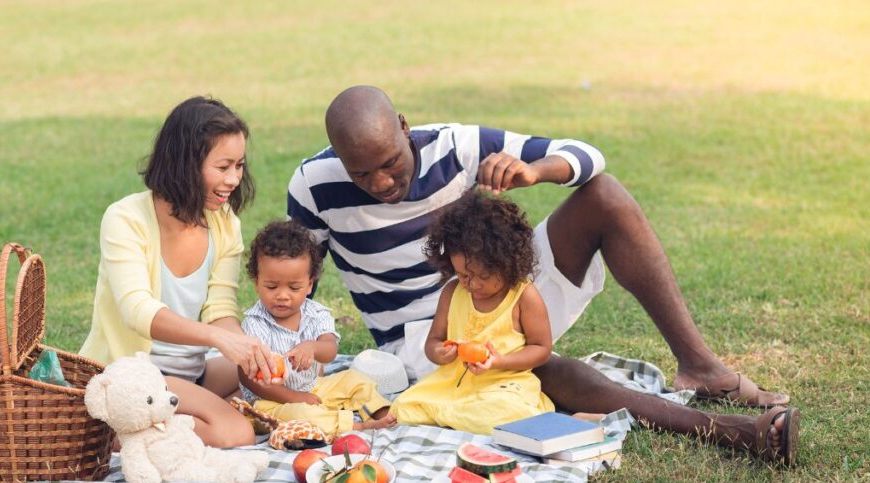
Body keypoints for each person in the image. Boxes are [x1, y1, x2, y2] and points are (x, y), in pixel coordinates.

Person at [287, 86, 798, 463]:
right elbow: (299, 279)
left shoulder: (455, 145)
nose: (380, 182)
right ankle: (730, 430)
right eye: (361, 172)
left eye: (390, 163)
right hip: (427, 344)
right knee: (547, 371)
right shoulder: (313, 184)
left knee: (605, 194)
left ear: (404, 126)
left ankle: (701, 368)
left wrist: (535, 171)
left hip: (498, 293)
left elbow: (589, 156)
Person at [80, 96, 279, 447]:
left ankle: (157, 422)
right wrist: (217, 339)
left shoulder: (224, 224)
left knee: (272, 379)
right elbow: (137, 311)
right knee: (235, 432)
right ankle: (113, 430)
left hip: (189, 374)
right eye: (223, 167)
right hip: (134, 376)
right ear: (185, 163)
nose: (234, 178)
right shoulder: (125, 219)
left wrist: (243, 345)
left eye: (240, 166)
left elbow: (220, 307)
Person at [392, 193, 555, 434]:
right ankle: (456, 415)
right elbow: (433, 342)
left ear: (507, 263)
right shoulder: (452, 292)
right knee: (401, 408)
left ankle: (453, 417)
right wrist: (440, 353)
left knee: (507, 413)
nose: (473, 284)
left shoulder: (523, 296)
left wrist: (498, 361)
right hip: (452, 385)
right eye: (465, 275)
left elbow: (542, 349)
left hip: (503, 385)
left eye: (483, 276)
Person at [237, 221, 397, 436]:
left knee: (355, 379)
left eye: (294, 287)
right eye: (271, 286)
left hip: (313, 387)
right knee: (304, 415)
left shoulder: (316, 314)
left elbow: (330, 350)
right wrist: (294, 397)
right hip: (270, 403)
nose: (283, 295)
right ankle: (355, 426)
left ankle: (379, 411)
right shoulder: (254, 324)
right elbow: (247, 377)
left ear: (310, 284)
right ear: (256, 283)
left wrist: (312, 347)